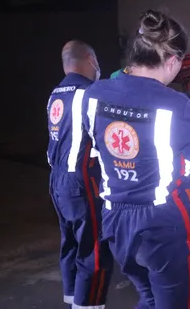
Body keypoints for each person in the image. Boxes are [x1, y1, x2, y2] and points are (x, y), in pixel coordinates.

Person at [81, 10, 190, 308]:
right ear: (171, 61)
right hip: (164, 223)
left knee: (147, 295)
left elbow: (98, 147)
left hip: (116, 221)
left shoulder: (94, 94)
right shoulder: (179, 106)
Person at [46, 40, 113, 308]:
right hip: (82, 179)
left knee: (71, 244)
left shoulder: (55, 93)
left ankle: (73, 299)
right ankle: (89, 304)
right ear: (89, 59)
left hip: (57, 180)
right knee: (94, 251)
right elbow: (102, 138)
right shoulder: (89, 93)